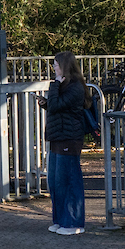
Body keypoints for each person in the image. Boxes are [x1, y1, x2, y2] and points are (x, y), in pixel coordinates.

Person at [44, 51, 93, 234]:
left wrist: (55, 85)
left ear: (64, 66)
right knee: (55, 181)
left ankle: (73, 222)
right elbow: (55, 106)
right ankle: (59, 219)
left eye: (56, 64)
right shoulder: (64, 86)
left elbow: (57, 105)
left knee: (69, 179)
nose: (54, 68)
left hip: (69, 137)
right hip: (57, 136)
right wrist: (46, 103)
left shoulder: (75, 87)